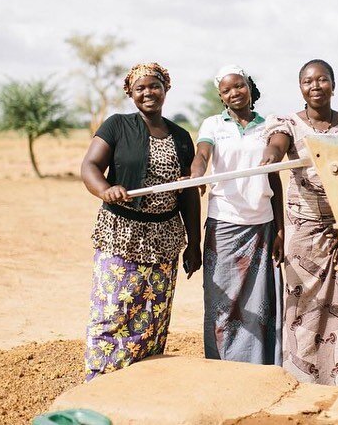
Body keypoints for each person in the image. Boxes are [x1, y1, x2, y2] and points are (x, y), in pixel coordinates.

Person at [80, 62, 202, 381]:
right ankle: (100, 384)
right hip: (122, 234)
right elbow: (90, 166)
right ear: (131, 94)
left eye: (154, 86)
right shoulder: (117, 126)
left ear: (166, 89)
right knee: (112, 313)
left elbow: (188, 193)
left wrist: (194, 244)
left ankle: (139, 387)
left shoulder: (181, 136)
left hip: (164, 239)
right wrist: (107, 189)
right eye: (140, 88)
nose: (148, 92)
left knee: (152, 318)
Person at [261, 59, 338, 386]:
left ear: (333, 85)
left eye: (322, 80)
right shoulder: (288, 124)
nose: (315, 86)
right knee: (302, 307)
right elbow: (277, 143)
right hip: (303, 231)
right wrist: (271, 155)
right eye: (308, 81)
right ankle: (300, 382)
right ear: (300, 88)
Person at [190, 65, 284, 366]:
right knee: (221, 302)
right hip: (224, 221)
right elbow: (202, 155)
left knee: (258, 302)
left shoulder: (268, 124)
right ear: (221, 97)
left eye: (239, 86)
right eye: (227, 90)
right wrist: (196, 175)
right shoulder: (213, 125)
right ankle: (220, 364)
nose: (235, 93)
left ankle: (257, 365)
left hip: (261, 223)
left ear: (249, 87)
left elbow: (274, 178)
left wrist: (281, 228)